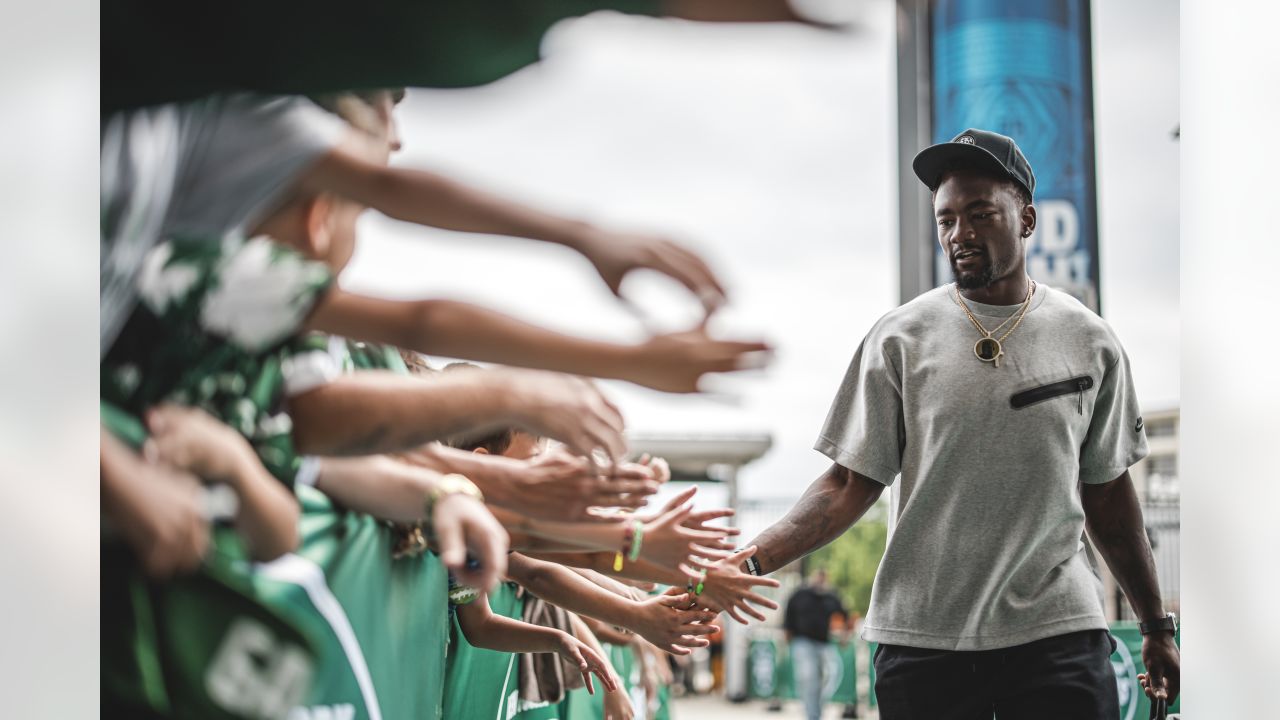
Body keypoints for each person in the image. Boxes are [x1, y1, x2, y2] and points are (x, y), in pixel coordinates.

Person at [737, 129, 1179, 719]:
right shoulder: (900, 338)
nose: (959, 234)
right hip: (924, 644)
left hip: (1058, 635)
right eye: (946, 218)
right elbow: (847, 486)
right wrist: (747, 562)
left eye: (980, 214)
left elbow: (1108, 492)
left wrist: (1154, 624)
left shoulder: (1089, 341)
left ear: (1025, 219)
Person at [782, 568, 847, 720]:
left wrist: (844, 633)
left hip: (824, 643)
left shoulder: (831, 596)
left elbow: (844, 614)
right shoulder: (800, 594)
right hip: (803, 641)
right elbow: (788, 614)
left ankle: (816, 706)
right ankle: (812, 715)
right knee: (809, 677)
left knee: (832, 674)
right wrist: (786, 634)